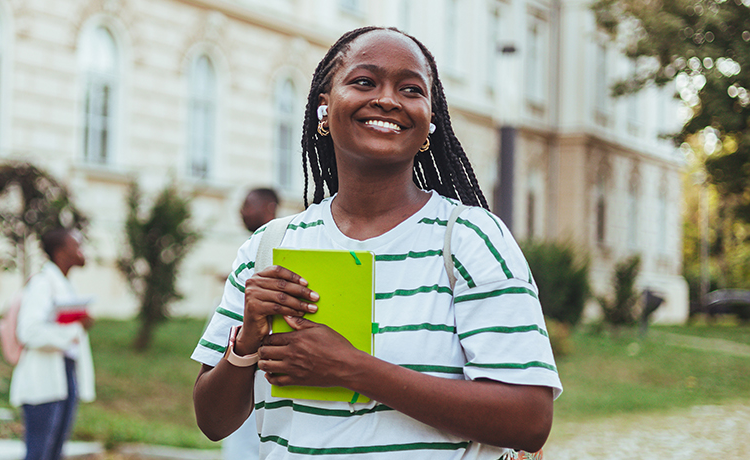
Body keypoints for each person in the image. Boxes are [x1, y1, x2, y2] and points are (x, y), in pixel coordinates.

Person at [190, 27, 559, 459]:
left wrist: (350, 368)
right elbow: (213, 422)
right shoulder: (270, 245)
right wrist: (246, 342)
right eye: (364, 81)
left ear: (429, 124)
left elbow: (530, 420)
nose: (388, 99)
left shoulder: (470, 239)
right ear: (323, 109)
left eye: (410, 89)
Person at [10, 228, 96, 460]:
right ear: (61, 253)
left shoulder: (64, 285)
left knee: (55, 453)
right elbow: (28, 332)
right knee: (39, 453)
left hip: (65, 374)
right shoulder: (42, 284)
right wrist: (76, 329)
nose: (82, 251)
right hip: (43, 380)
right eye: (76, 245)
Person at [225, 188, 280, 460]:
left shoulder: (284, 254)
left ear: (269, 207)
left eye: (249, 205)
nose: (242, 211)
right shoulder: (248, 253)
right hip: (235, 379)